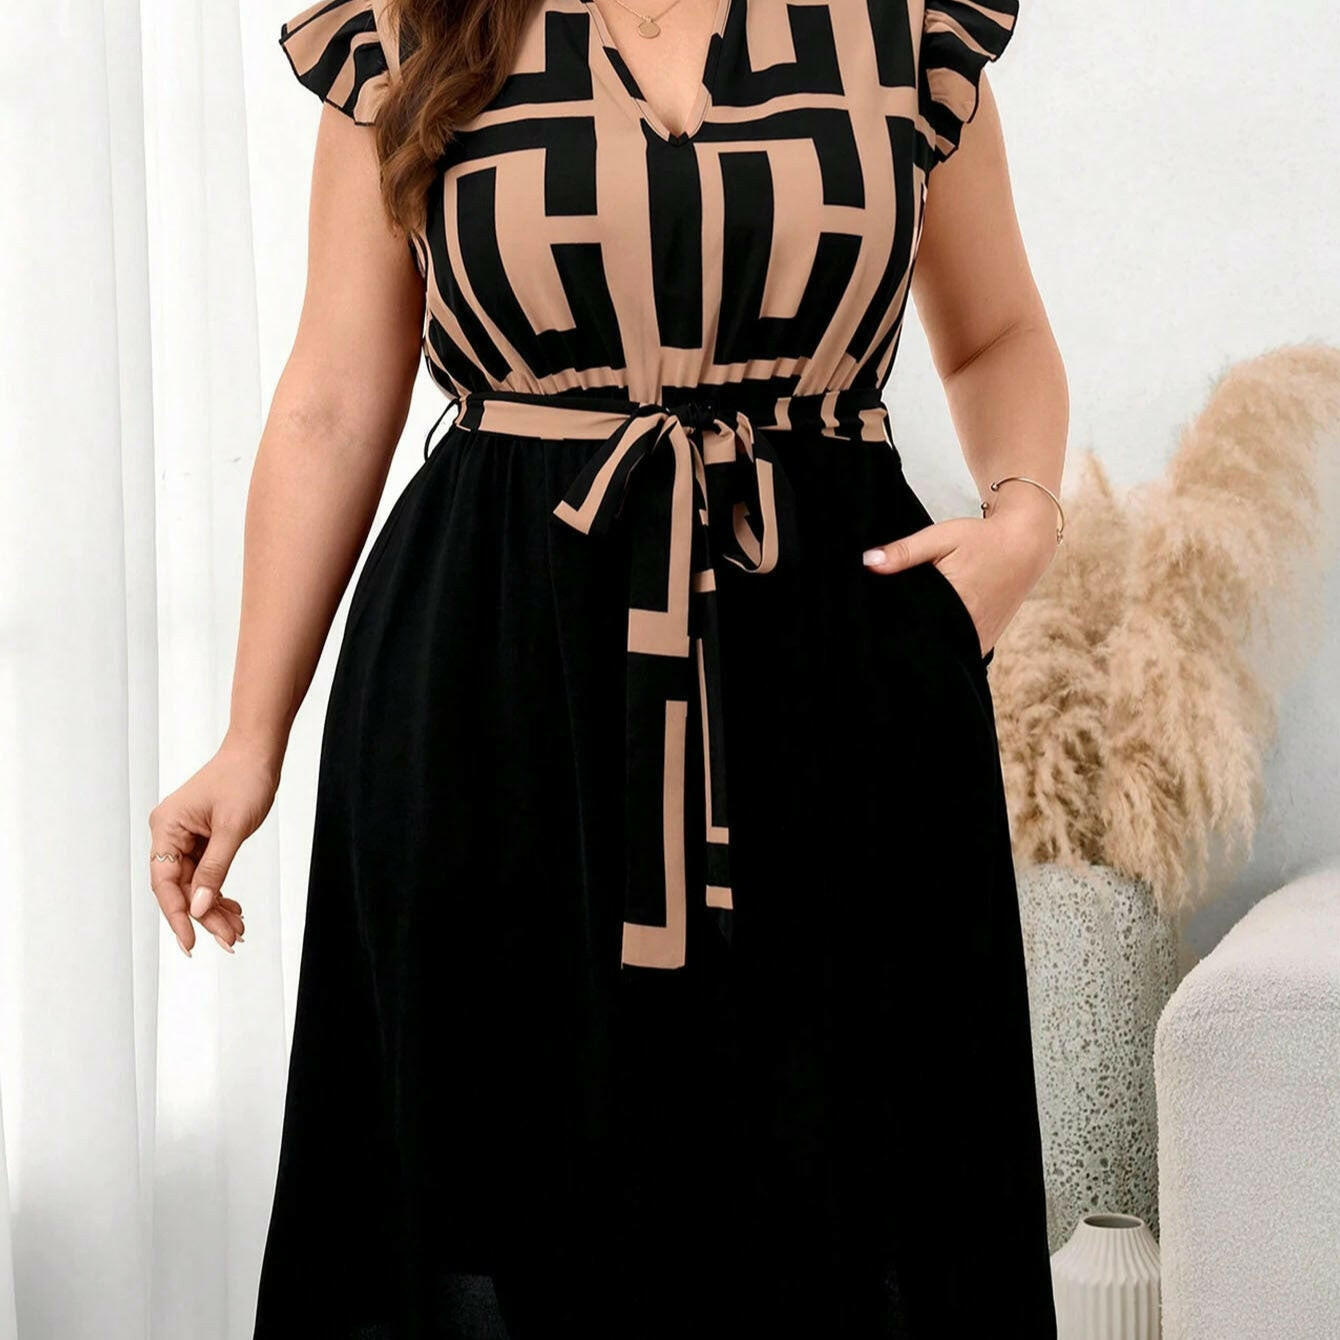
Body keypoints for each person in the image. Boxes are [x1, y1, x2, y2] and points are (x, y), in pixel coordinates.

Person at [147, 0, 1069, 1334]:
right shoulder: (409, 28)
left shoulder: (900, 24)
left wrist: (1023, 519)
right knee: (514, 1178)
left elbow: (996, 337)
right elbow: (335, 400)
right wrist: (251, 736)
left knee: (852, 1178)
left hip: (838, 680)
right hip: (495, 676)